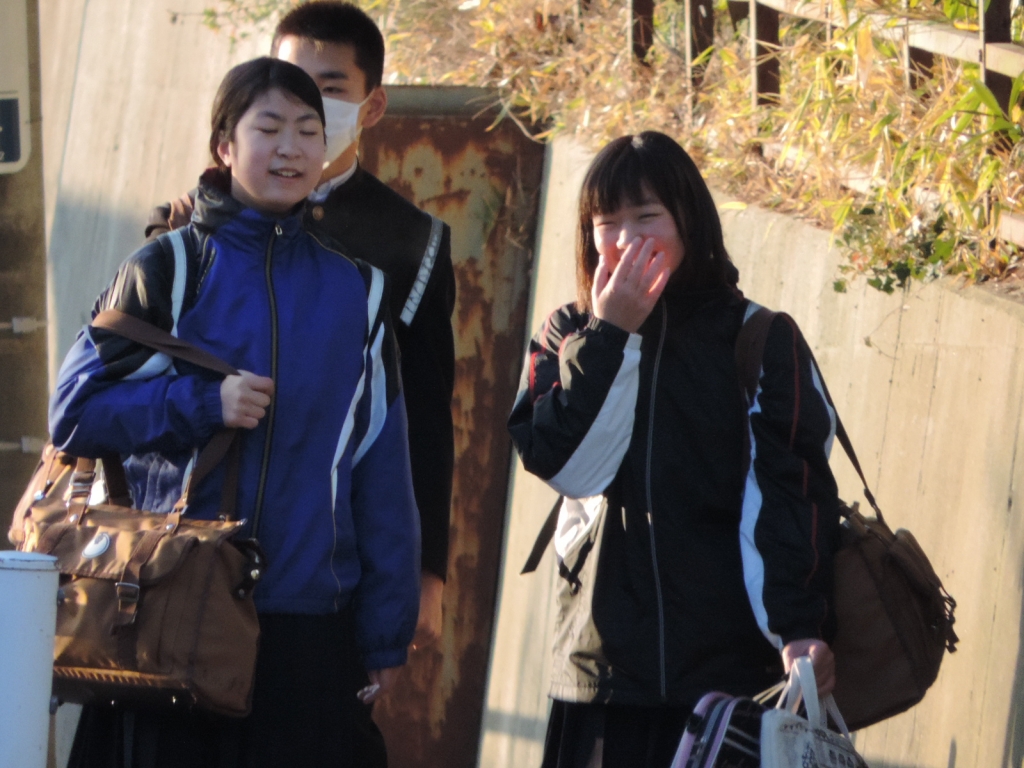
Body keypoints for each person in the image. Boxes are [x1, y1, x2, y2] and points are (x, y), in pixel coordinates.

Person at [50, 57, 420, 768]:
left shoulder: (359, 291)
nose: (291, 148)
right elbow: (74, 411)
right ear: (225, 144)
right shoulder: (167, 268)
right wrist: (201, 404)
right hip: (171, 609)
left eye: (308, 130)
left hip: (307, 629)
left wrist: (386, 632)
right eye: (268, 128)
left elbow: (381, 468)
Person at [507, 131, 841, 768]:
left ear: (689, 220)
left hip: (730, 677)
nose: (625, 240)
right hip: (602, 673)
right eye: (607, 224)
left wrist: (801, 627)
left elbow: (792, 494)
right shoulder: (569, 333)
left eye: (646, 217)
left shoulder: (758, 338)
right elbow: (565, 463)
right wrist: (612, 332)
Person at [148, 3, 455, 656]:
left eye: (328, 89)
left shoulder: (411, 241)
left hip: (320, 573)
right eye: (289, 80)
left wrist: (427, 570)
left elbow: (422, 418)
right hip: (183, 557)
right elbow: (109, 389)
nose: (302, 106)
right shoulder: (189, 224)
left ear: (372, 106)